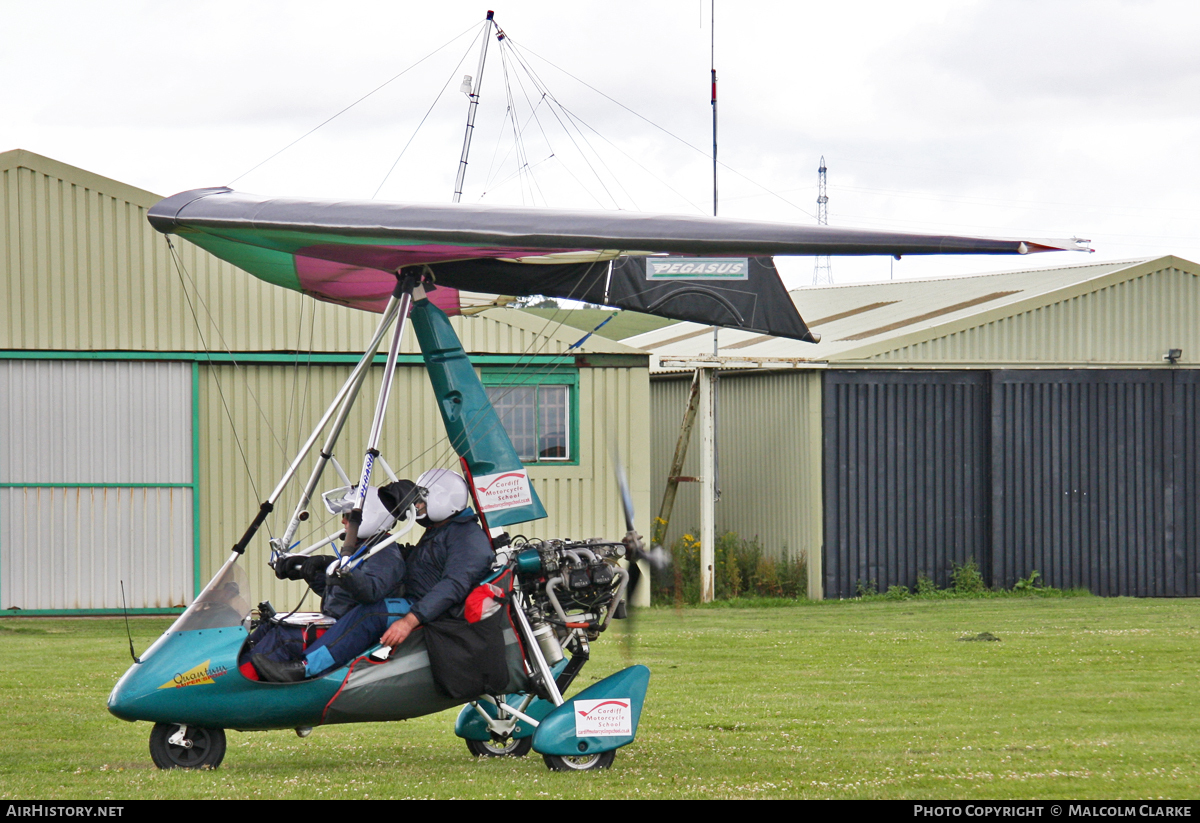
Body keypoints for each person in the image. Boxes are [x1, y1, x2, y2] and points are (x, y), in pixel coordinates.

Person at [252, 468, 495, 682]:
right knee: (360, 604)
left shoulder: (467, 538)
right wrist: (320, 564)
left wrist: (409, 621)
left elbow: (453, 586)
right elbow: (404, 557)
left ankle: (304, 668)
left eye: (420, 502)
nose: (416, 508)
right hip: (414, 603)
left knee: (372, 613)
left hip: (433, 612)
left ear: (444, 500)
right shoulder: (441, 531)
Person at [245, 483, 411, 670]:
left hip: (345, 631)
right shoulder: (361, 548)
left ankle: (243, 680)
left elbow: (369, 591)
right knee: (271, 626)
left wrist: (329, 564)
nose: (343, 522)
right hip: (335, 622)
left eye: (347, 516)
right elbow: (340, 593)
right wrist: (305, 570)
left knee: (286, 637)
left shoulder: (384, 552)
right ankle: (232, 664)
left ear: (370, 518)